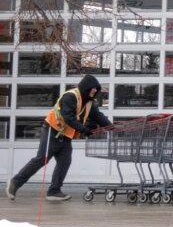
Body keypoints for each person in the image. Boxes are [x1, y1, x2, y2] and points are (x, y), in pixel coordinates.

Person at [6, 74, 111, 202]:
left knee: (64, 162)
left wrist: (111, 127)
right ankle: (14, 183)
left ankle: (54, 191)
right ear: (86, 87)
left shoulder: (89, 102)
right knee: (41, 159)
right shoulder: (70, 96)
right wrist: (84, 130)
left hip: (65, 135)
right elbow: (68, 117)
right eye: (93, 88)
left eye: (97, 89)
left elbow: (98, 116)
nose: (95, 90)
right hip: (52, 130)